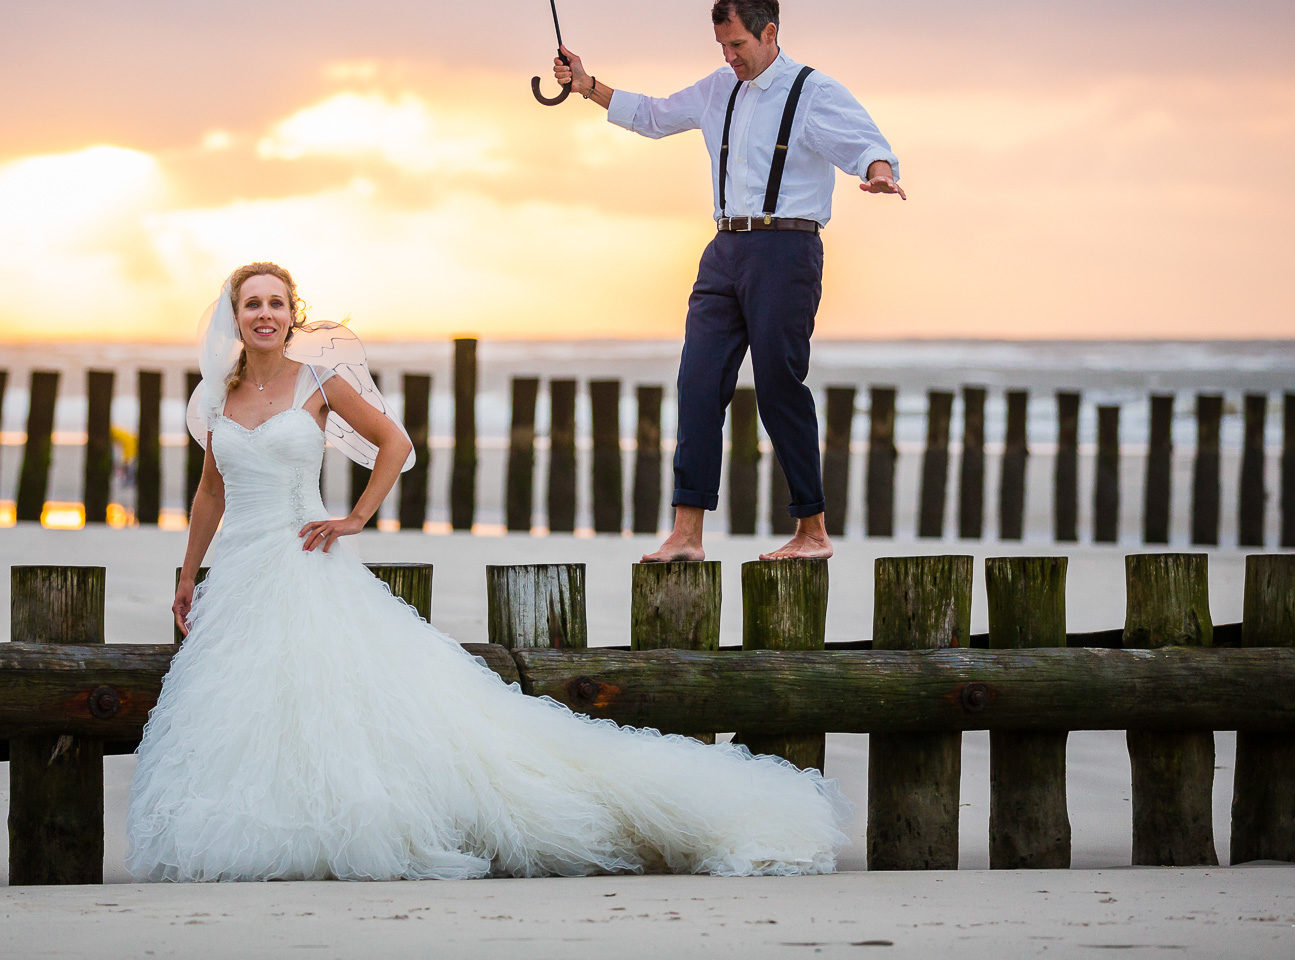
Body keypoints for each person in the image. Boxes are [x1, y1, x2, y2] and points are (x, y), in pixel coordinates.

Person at [124, 262, 852, 881]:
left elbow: (395, 444)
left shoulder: (318, 381)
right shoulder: (217, 399)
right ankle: (268, 823)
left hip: (306, 561)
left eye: (276, 303)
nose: (265, 313)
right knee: (250, 709)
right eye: (252, 303)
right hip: (241, 576)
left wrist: (354, 519)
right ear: (235, 316)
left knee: (340, 704)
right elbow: (211, 491)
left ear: (293, 315)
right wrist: (190, 574)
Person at [553, 0, 904, 565]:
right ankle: (686, 534)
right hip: (723, 251)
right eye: (722, 45)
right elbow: (654, 114)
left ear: (770, 33)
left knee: (776, 386)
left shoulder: (811, 90)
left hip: (786, 252)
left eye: (738, 44)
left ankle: (812, 531)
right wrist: (586, 85)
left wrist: (879, 171)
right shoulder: (720, 88)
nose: (730, 56)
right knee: (697, 383)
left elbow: (865, 142)